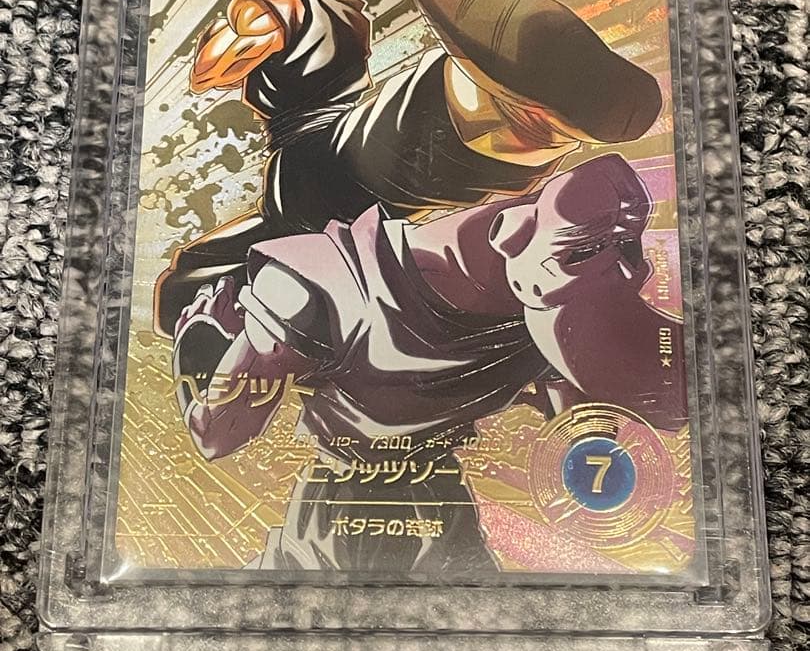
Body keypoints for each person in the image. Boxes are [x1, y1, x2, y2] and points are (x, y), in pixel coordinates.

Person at [153, 0, 663, 336]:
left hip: (322, 167)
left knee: (204, 275)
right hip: (377, 186)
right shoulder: (346, 9)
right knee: (222, 272)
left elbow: (207, 71)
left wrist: (241, 9)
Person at [172, 154, 685, 575]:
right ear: (513, 232)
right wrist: (200, 344)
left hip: (442, 520)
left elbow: (586, 437)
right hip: (340, 524)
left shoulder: (547, 316)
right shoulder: (319, 285)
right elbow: (217, 438)